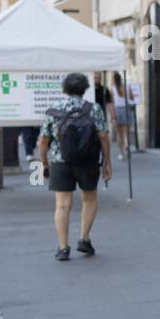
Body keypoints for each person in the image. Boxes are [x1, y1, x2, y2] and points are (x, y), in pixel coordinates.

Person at [37, 73, 112, 261]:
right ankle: (84, 239)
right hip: (88, 161)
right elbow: (103, 136)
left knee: (62, 204)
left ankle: (63, 248)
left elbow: (43, 140)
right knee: (89, 199)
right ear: (85, 89)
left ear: (64, 89)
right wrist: (107, 162)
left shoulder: (53, 110)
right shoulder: (94, 109)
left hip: (60, 161)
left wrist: (44, 163)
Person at [110, 71, 132, 159]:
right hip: (126, 109)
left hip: (117, 110)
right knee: (126, 133)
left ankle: (122, 153)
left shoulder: (113, 88)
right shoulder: (126, 86)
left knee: (119, 134)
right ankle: (127, 145)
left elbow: (112, 102)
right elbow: (132, 97)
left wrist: (112, 116)